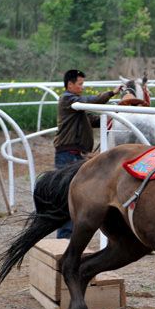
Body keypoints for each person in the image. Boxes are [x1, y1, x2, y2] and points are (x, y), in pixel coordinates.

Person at [53, 69, 121, 238]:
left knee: (76, 194)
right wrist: (111, 93)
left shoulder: (77, 106)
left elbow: (92, 120)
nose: (82, 87)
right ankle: (64, 236)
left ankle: (69, 235)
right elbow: (92, 101)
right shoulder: (68, 99)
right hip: (68, 153)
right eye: (80, 84)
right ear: (70, 85)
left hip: (76, 154)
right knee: (67, 196)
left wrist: (114, 116)